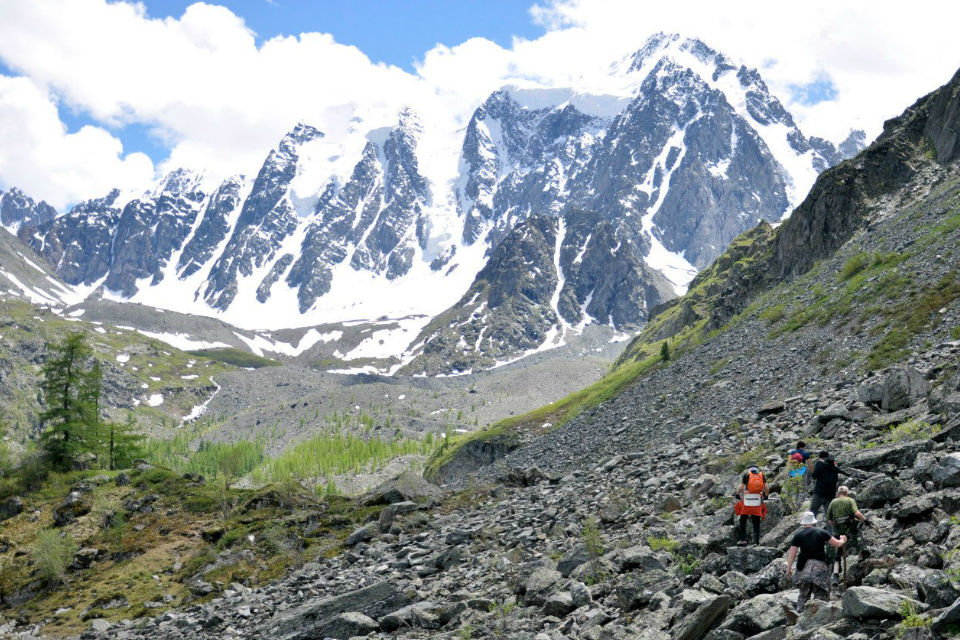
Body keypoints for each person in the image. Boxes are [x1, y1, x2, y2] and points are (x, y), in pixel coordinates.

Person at [785, 511, 847, 612]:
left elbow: (792, 553)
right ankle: (817, 616)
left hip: (803, 569)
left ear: (803, 523)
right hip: (819, 569)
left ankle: (800, 615)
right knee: (821, 595)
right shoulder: (822, 532)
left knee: (803, 596)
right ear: (814, 522)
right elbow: (836, 544)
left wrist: (789, 569)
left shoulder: (798, 535)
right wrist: (843, 540)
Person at [826, 486, 868, 583]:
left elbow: (829, 520)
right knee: (859, 542)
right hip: (850, 529)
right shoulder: (850, 500)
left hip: (838, 530)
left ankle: (835, 574)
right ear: (847, 493)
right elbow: (857, 513)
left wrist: (836, 527)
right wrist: (866, 521)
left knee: (838, 550)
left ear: (838, 493)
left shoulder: (833, 502)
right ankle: (862, 561)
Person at [734, 465, 768, 545]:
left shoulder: (747, 475)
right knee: (756, 522)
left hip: (747, 499)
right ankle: (756, 542)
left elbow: (741, 487)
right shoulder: (761, 475)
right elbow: (767, 488)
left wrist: (737, 495)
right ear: (757, 469)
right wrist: (766, 496)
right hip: (757, 499)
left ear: (749, 469)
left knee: (743, 520)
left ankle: (743, 539)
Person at [810, 451, 849, 518]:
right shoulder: (833, 465)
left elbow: (814, 476)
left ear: (819, 457)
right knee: (829, 516)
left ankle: (811, 528)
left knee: (813, 512)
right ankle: (830, 529)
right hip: (830, 494)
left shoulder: (819, 463)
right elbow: (843, 472)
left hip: (820, 492)